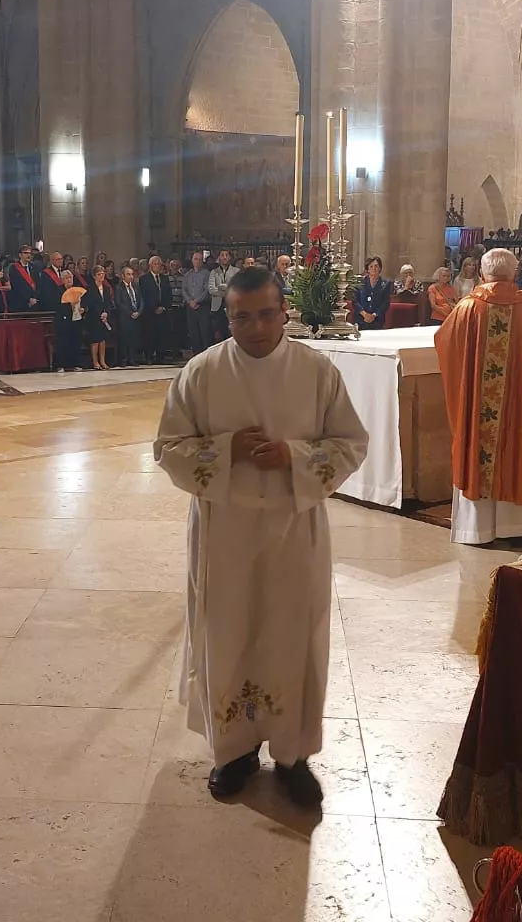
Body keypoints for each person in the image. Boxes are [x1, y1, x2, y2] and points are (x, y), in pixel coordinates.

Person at [153, 266, 368, 807]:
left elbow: (350, 443)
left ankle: (293, 757)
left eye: (265, 314)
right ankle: (234, 752)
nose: (254, 326)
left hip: (294, 531)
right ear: (227, 316)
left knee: (294, 636)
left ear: (284, 311)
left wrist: (293, 458)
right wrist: (227, 451)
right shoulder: (201, 373)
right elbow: (168, 448)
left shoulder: (316, 371)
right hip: (225, 532)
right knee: (228, 635)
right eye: (241, 316)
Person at [436, 248, 522, 545]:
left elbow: (445, 344)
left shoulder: (468, 308)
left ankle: (477, 530)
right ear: (515, 273)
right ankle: (518, 526)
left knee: (478, 443)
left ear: (482, 271)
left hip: (479, 411)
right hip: (520, 412)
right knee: (520, 442)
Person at [140, 255, 171, 363]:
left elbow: (168, 295)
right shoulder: (144, 279)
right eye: (155, 264)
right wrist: (154, 308)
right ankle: (148, 356)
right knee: (150, 334)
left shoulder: (165, 278)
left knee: (161, 334)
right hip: (150, 312)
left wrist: (163, 307)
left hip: (163, 311)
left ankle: (160, 356)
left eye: (159, 264)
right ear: (150, 265)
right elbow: (144, 296)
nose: (157, 266)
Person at [53, 269, 85, 373]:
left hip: (76, 320)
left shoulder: (77, 289)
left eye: (70, 277)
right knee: (63, 343)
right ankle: (61, 365)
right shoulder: (58, 291)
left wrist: (83, 309)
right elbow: (57, 306)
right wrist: (68, 305)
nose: (69, 280)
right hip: (63, 321)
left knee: (76, 342)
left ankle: (76, 363)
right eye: (66, 278)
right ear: (62, 280)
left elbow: (85, 303)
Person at [86, 263, 116, 370]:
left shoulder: (106, 289)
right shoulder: (89, 288)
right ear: (94, 276)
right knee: (95, 340)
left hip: (105, 318)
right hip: (94, 318)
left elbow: (108, 303)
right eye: (99, 274)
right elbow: (90, 303)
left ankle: (103, 361)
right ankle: (95, 362)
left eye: (102, 274)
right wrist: (100, 313)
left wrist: (106, 313)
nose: (101, 276)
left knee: (103, 340)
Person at [182, 251, 212, 354]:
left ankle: (205, 355)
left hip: (202, 306)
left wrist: (196, 301)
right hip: (190, 307)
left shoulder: (206, 274)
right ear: (192, 260)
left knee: (204, 331)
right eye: (195, 259)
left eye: (199, 259)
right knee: (193, 332)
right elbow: (184, 290)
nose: (197, 261)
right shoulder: (187, 275)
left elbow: (207, 290)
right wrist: (190, 301)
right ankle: (195, 355)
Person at [353, 256, 391, 331]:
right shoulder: (359, 282)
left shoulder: (386, 283)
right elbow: (355, 301)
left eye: (376, 266)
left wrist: (374, 315)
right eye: (371, 266)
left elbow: (386, 302)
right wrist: (365, 314)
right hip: (361, 320)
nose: (374, 268)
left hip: (377, 321)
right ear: (367, 269)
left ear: (380, 268)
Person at [116, 265, 143, 367]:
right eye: (128, 274)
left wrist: (139, 312)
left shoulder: (136, 286)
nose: (131, 276)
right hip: (125, 318)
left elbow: (141, 300)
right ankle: (124, 359)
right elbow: (119, 303)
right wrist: (130, 313)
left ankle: (132, 358)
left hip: (136, 317)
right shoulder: (119, 287)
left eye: (132, 274)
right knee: (124, 339)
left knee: (134, 339)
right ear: (123, 276)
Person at [208, 250, 235, 343]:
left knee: (231, 334)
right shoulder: (213, 272)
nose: (224, 257)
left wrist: (222, 288)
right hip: (217, 307)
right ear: (219, 257)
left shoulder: (236, 271)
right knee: (218, 334)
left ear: (230, 257)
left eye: (226, 255)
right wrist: (227, 290)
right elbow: (211, 289)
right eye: (222, 255)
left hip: (231, 306)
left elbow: (236, 288)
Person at [8, 246, 41, 311]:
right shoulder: (14, 268)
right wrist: (28, 299)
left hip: (34, 303)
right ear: (20, 255)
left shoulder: (34, 267)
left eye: (30, 253)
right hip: (20, 303)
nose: (28, 255)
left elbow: (38, 284)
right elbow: (16, 286)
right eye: (26, 253)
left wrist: (35, 297)